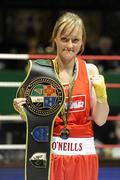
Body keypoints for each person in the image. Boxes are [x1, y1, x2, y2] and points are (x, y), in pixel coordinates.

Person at [13, 12, 109, 180]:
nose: (70, 45)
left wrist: (102, 95)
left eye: (75, 40)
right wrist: (24, 112)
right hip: (52, 155)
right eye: (64, 39)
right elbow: (39, 118)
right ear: (55, 38)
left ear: (82, 42)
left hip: (83, 155)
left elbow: (100, 120)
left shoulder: (90, 71)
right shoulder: (42, 73)